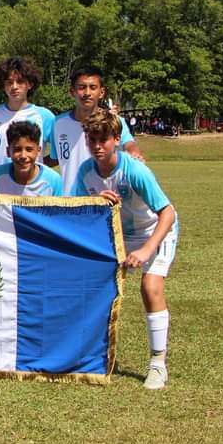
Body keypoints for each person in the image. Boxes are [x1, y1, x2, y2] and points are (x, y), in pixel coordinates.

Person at [72, 108, 178, 390]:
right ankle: (90, 354)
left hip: (155, 232)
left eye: (103, 140)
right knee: (91, 285)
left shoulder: (135, 170)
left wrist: (145, 251)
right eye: (91, 140)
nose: (97, 146)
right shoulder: (86, 172)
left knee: (150, 286)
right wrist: (96, 202)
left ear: (116, 139)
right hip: (118, 236)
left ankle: (158, 364)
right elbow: (73, 210)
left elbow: (168, 212)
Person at [51, 66, 144, 189]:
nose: (87, 93)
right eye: (81, 87)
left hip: (105, 198)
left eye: (93, 87)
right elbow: (56, 158)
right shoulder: (57, 123)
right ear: (72, 91)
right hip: (71, 201)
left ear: (101, 92)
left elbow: (129, 145)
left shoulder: (114, 121)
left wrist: (134, 154)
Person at [0, 57, 56, 172]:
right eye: (9, 82)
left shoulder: (44, 116)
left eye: (20, 82)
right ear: (3, 86)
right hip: (0, 184)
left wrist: (40, 167)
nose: (14, 87)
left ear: (29, 84)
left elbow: (60, 151)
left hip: (33, 186)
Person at [0, 121, 64, 198]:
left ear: (38, 151)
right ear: (8, 151)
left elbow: (59, 214)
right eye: (17, 149)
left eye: (29, 149)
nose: (23, 156)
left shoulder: (53, 181)